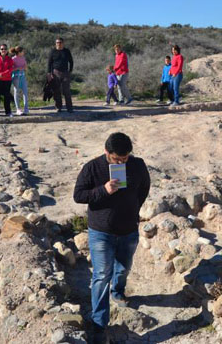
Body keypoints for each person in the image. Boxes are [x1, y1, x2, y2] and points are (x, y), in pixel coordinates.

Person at [73, 132, 151, 344]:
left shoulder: (137, 165)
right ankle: (99, 324)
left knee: (124, 268)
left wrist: (134, 209)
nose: (122, 162)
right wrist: (103, 190)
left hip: (128, 230)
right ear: (107, 152)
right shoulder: (92, 167)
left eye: (125, 159)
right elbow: (78, 195)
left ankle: (118, 292)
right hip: (101, 232)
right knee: (100, 276)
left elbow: (144, 187)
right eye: (118, 159)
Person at [48, 38, 74, 113]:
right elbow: (49, 63)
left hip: (65, 72)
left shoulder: (66, 51)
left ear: (63, 43)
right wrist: (49, 73)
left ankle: (69, 108)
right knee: (56, 90)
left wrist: (70, 71)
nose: (58, 44)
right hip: (56, 72)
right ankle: (58, 107)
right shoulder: (52, 51)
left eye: (60, 42)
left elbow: (71, 61)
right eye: (57, 42)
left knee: (66, 90)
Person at [11, 46, 29, 115]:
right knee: (16, 93)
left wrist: (24, 67)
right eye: (22, 51)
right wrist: (18, 68)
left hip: (23, 76)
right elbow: (11, 69)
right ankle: (18, 109)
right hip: (16, 77)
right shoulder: (13, 59)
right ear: (19, 52)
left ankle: (26, 109)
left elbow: (26, 68)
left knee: (25, 92)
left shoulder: (23, 58)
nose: (23, 52)